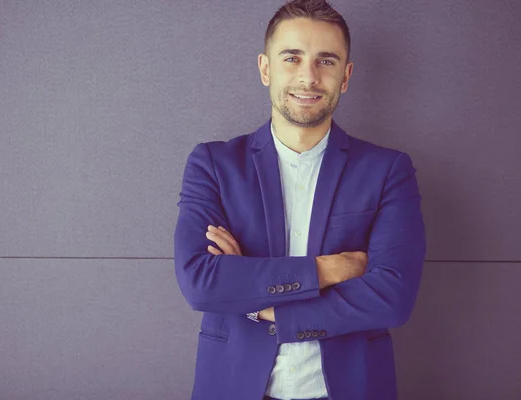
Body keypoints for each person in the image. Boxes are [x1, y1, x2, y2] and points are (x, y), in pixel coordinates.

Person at [174, 0, 426, 399]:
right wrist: (330, 269)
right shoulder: (213, 164)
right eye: (292, 58)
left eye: (325, 61)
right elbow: (201, 284)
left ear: (345, 76)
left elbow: (392, 297)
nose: (308, 77)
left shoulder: (388, 170)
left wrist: (260, 302)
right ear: (265, 68)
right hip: (233, 385)